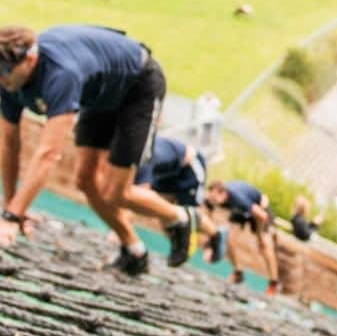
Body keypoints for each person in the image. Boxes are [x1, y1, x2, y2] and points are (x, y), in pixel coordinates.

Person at [0, 25, 197, 274]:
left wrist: (12, 217)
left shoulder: (61, 75)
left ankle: (179, 217)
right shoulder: (9, 83)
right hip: (99, 93)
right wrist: (11, 207)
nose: (1, 78)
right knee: (85, 181)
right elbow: (9, 144)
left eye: (5, 71)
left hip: (137, 87)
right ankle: (134, 251)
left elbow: (48, 154)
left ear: (29, 58)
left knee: (116, 191)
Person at [204, 179, 280, 295]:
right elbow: (208, 222)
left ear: (223, 194)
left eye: (214, 200)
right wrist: (209, 245)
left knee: (265, 245)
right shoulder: (213, 198)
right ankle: (238, 273)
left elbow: (262, 216)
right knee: (229, 239)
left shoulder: (238, 198)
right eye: (211, 199)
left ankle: (274, 282)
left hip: (259, 207)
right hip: (241, 210)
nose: (212, 202)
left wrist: (259, 237)